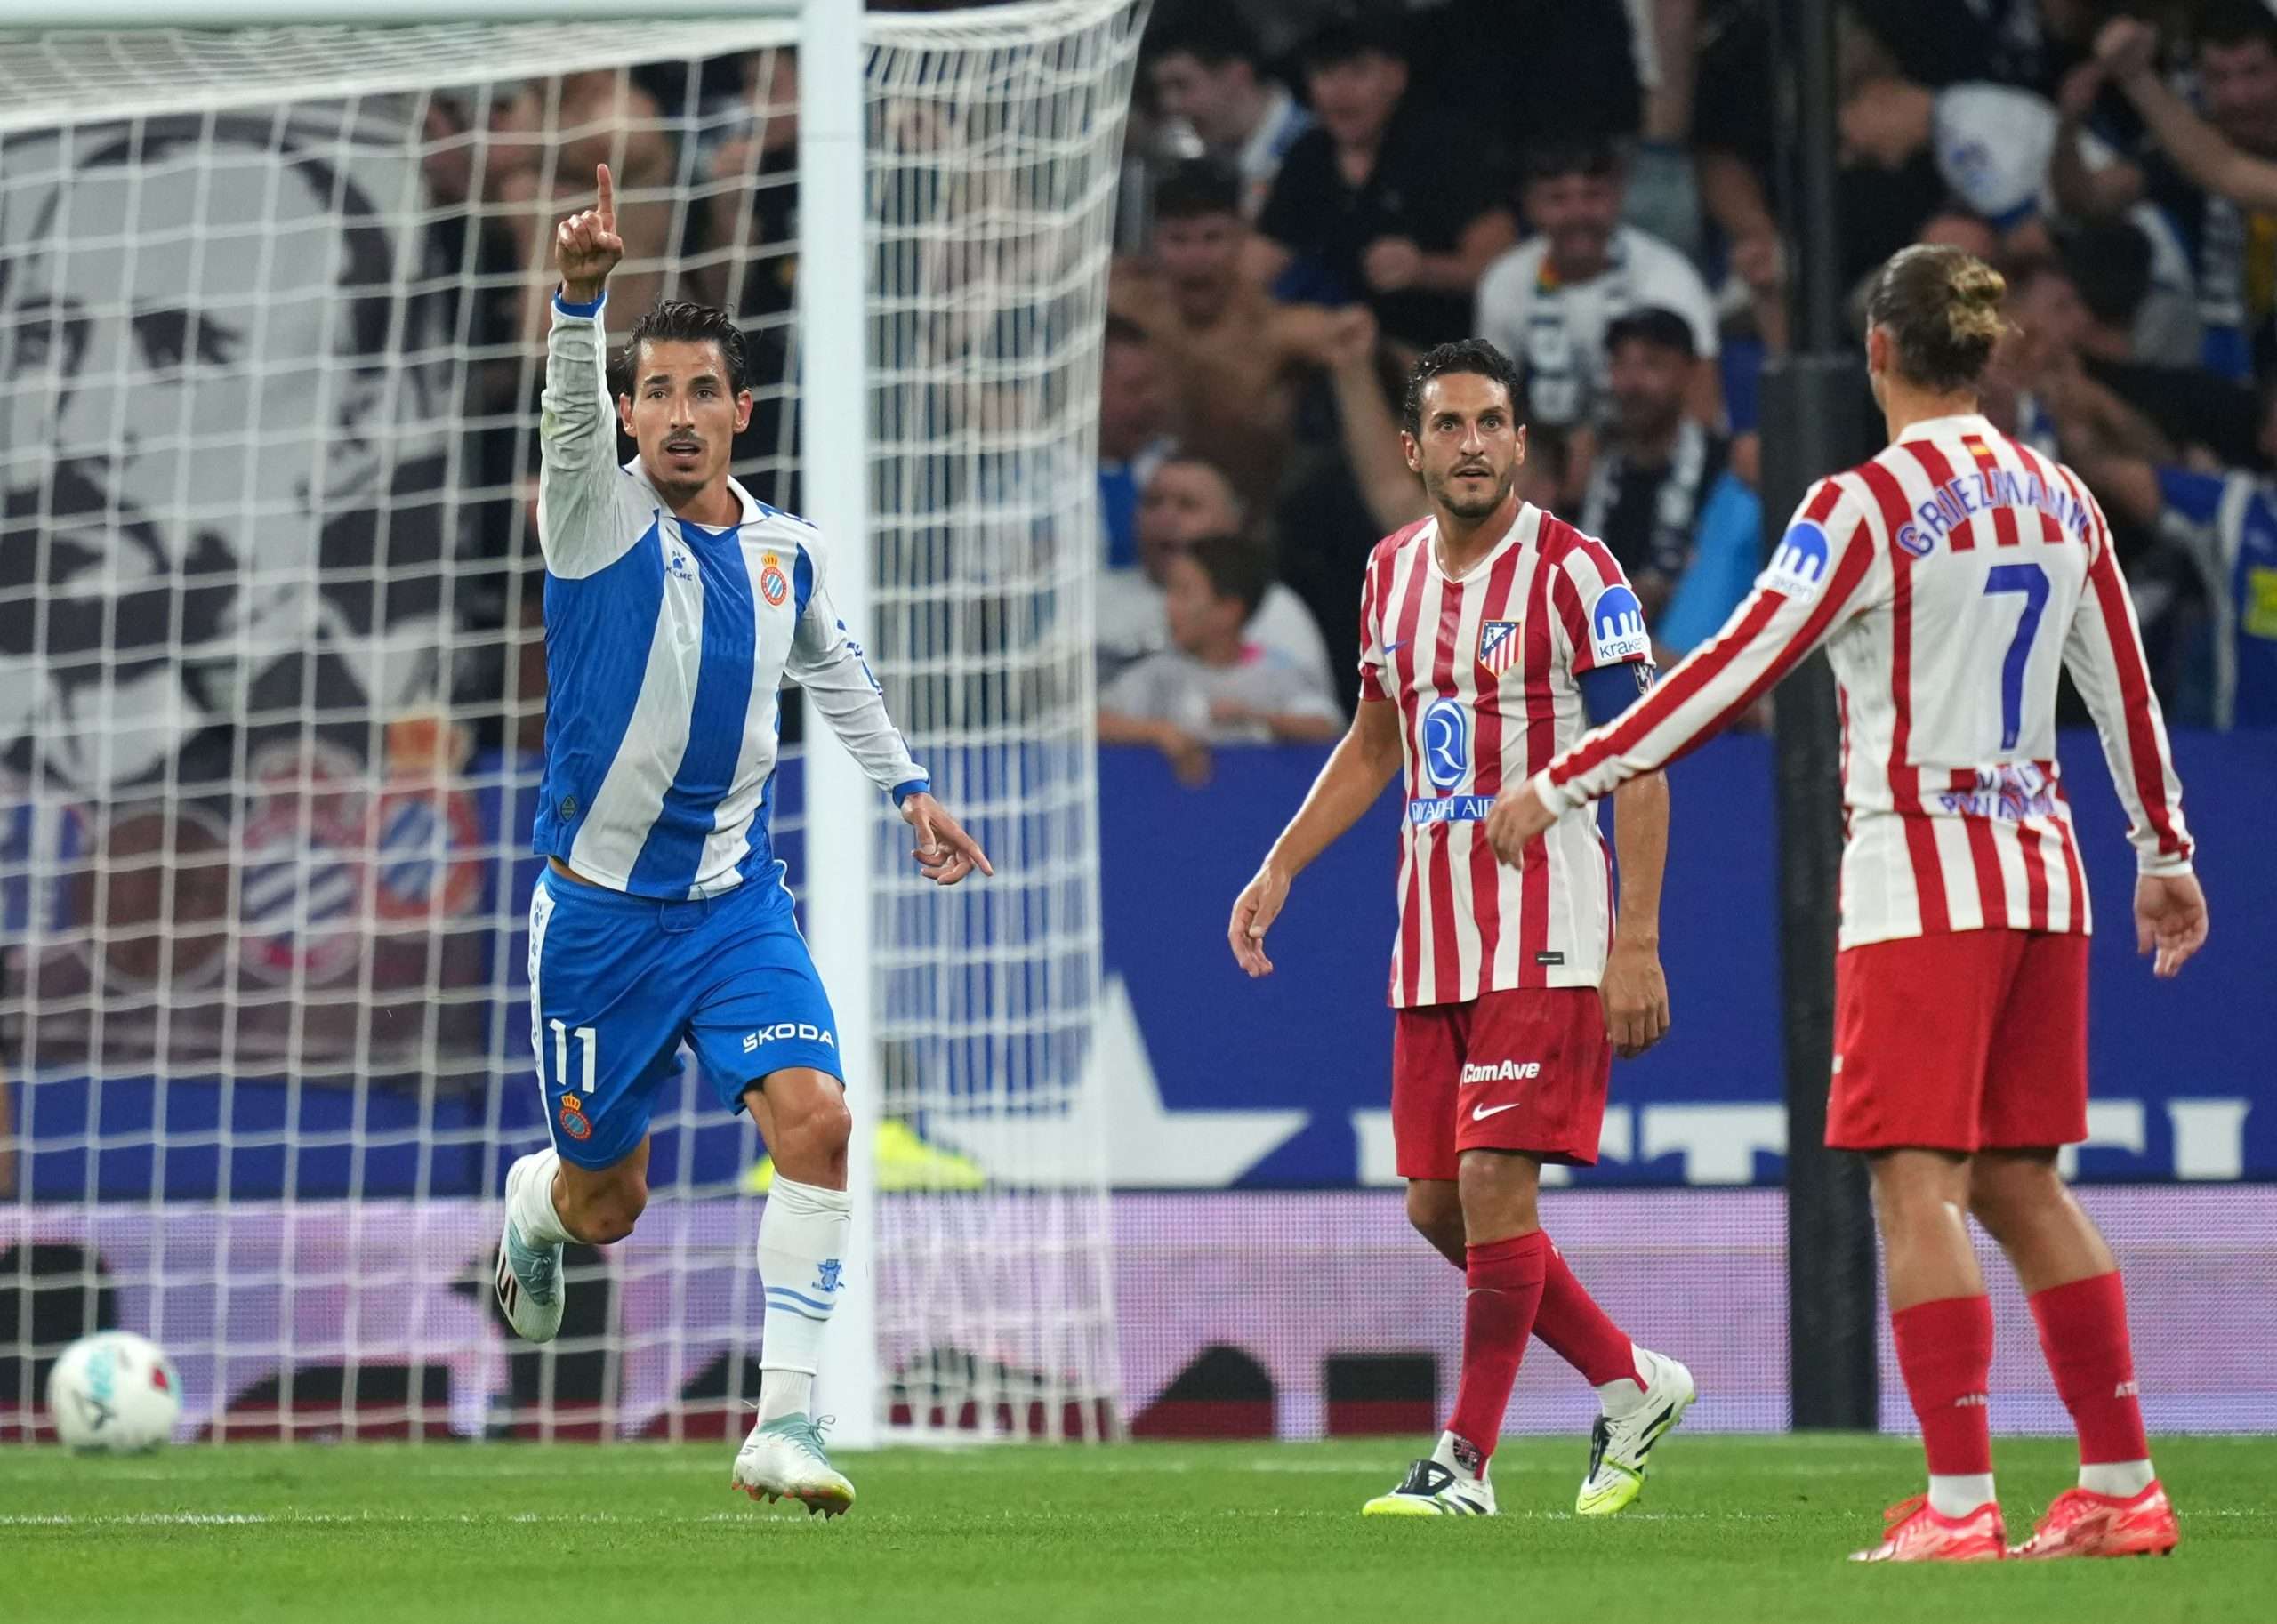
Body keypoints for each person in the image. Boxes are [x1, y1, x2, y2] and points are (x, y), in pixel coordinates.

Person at [1497, 245, 2204, 1561]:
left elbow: (1732, 665)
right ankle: (2121, 1479)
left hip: (1921, 881)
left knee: (1914, 1184)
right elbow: (2125, 685)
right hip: (2046, 879)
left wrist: (1569, 773)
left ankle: (1957, 1503)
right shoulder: (2060, 495)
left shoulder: (1866, 503)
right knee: (2020, 1179)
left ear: (1876, 354)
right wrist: (2163, 848)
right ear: (1980, 357)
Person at [495, 167, 992, 1517]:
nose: (674, 415)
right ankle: (534, 1202)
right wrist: (580, 298)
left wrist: (908, 790)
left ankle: (787, 1421)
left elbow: (831, 667)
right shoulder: (592, 512)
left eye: (699, 391)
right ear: (630, 415)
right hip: (597, 919)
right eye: (651, 392)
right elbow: (562, 411)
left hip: (732, 906)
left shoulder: (788, 550)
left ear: (738, 412)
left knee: (821, 1122)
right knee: (611, 1202)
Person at [1227, 340, 1692, 1518]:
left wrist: (1636, 938)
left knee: (1493, 1178)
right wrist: (1283, 861)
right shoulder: (1390, 574)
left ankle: (1464, 1461)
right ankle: (1630, 1381)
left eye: (1492, 422)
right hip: (1431, 936)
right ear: (1412, 446)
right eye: (1450, 424)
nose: (1473, 443)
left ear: (1521, 441)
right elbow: (1376, 741)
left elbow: (1642, 757)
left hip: (1548, 924)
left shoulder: (1576, 573)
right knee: (1437, 1203)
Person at [1251, 14, 1517, 350]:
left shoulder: (1445, 150)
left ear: (1396, 77)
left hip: (1445, 351)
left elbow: (1507, 267)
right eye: (1325, 73)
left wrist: (1425, 270)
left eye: (1358, 72)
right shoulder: (1309, 155)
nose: (1340, 92)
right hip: (1343, 344)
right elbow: (1259, 263)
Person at [1475, 140, 1721, 459]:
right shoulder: (1505, 281)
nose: (1578, 214)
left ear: (1618, 197)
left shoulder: (1668, 276)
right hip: (1546, 459)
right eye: (1558, 200)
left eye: (1593, 196)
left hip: (1650, 457)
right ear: (1531, 206)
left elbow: (1701, 401)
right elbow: (1490, 404)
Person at [1099, 533, 1342, 784]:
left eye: (1183, 592)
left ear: (1228, 611)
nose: (1168, 605)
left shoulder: (1277, 672)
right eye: (1169, 592)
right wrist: (1157, 732)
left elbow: (1325, 727)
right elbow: (1092, 724)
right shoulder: (1157, 674)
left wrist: (1255, 718)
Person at [1097, 455, 1335, 698]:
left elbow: (1318, 718)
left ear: (1232, 522)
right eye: (1153, 502)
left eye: (1187, 505)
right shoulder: (1097, 601)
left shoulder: (1276, 607)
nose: (1165, 517)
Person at [1581, 307, 1733, 618]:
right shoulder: (1595, 467)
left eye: (1651, 365)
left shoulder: (1725, 466)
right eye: (1620, 365)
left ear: (1689, 374)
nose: (1632, 383)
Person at [1145, 6, 1312, 221]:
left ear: (1237, 76)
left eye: (1181, 85)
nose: (1169, 104)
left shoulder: (1317, 149)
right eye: (1160, 90)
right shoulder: (1193, 158)